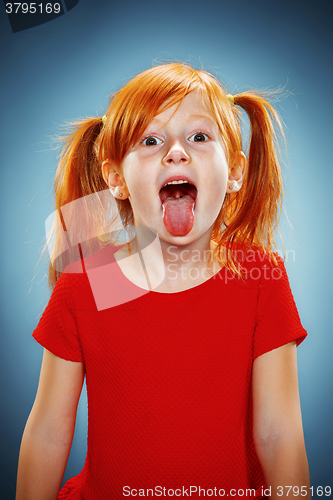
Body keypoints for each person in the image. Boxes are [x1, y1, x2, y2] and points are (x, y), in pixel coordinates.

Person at [16, 63, 310, 499]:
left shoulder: (258, 278)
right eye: (151, 141)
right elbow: (47, 435)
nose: (176, 152)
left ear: (235, 173)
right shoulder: (89, 283)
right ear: (116, 178)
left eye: (199, 137)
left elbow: (279, 434)